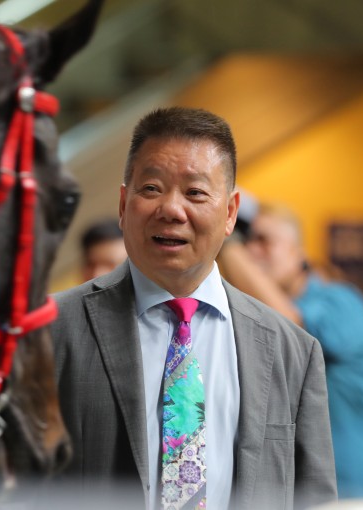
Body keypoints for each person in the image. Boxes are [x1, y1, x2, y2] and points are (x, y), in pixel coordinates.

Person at [50, 107, 337, 509]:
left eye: (196, 192)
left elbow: (314, 499)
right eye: (150, 188)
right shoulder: (51, 330)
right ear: (122, 203)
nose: (171, 209)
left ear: (230, 213)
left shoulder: (293, 351)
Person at [221, 202, 363, 499]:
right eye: (249, 242)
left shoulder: (342, 301)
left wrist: (226, 244)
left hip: (362, 492)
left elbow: (292, 327)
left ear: (298, 253)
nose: (252, 252)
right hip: (303, 493)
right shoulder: (251, 320)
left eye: (264, 241)